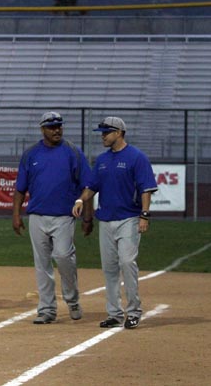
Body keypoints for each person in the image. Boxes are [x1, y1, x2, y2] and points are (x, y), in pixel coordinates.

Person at [72, 116, 158, 329]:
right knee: (109, 268)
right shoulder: (102, 160)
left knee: (127, 263)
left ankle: (134, 310)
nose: (103, 135)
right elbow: (92, 185)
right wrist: (81, 199)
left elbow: (146, 188)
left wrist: (144, 215)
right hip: (106, 220)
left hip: (128, 218)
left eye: (106, 132)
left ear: (119, 132)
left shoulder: (136, 157)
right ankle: (114, 313)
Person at [12, 111, 94, 324]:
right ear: (42, 129)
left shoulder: (73, 152)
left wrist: (87, 217)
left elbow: (88, 185)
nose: (57, 130)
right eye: (51, 127)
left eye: (59, 126)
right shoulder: (31, 154)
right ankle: (47, 309)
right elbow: (20, 188)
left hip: (64, 216)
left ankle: (72, 299)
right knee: (42, 264)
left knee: (64, 257)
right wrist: (16, 214)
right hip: (37, 215)